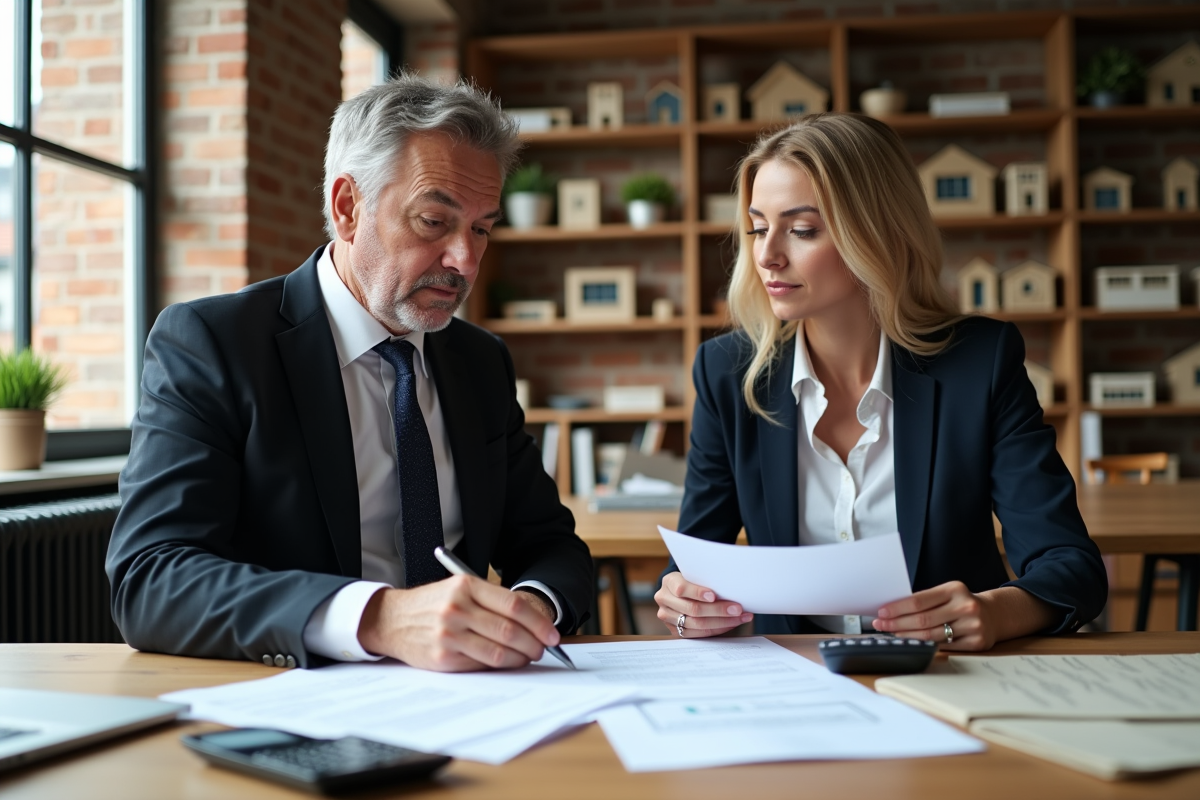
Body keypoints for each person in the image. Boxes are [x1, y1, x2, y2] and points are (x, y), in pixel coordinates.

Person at [107, 75, 593, 672]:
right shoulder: (214, 344)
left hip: (471, 696)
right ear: (347, 208)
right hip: (287, 702)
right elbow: (151, 578)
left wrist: (527, 609)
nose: (465, 260)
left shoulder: (479, 362)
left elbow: (549, 542)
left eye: (482, 228)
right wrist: (377, 619)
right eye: (434, 222)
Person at [654, 113, 1107, 651]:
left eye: (801, 230)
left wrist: (995, 612)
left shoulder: (979, 364)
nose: (767, 254)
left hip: (952, 676)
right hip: (798, 682)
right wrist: (683, 602)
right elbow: (695, 561)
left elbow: (1071, 566)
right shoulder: (727, 373)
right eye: (757, 227)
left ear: (879, 231)